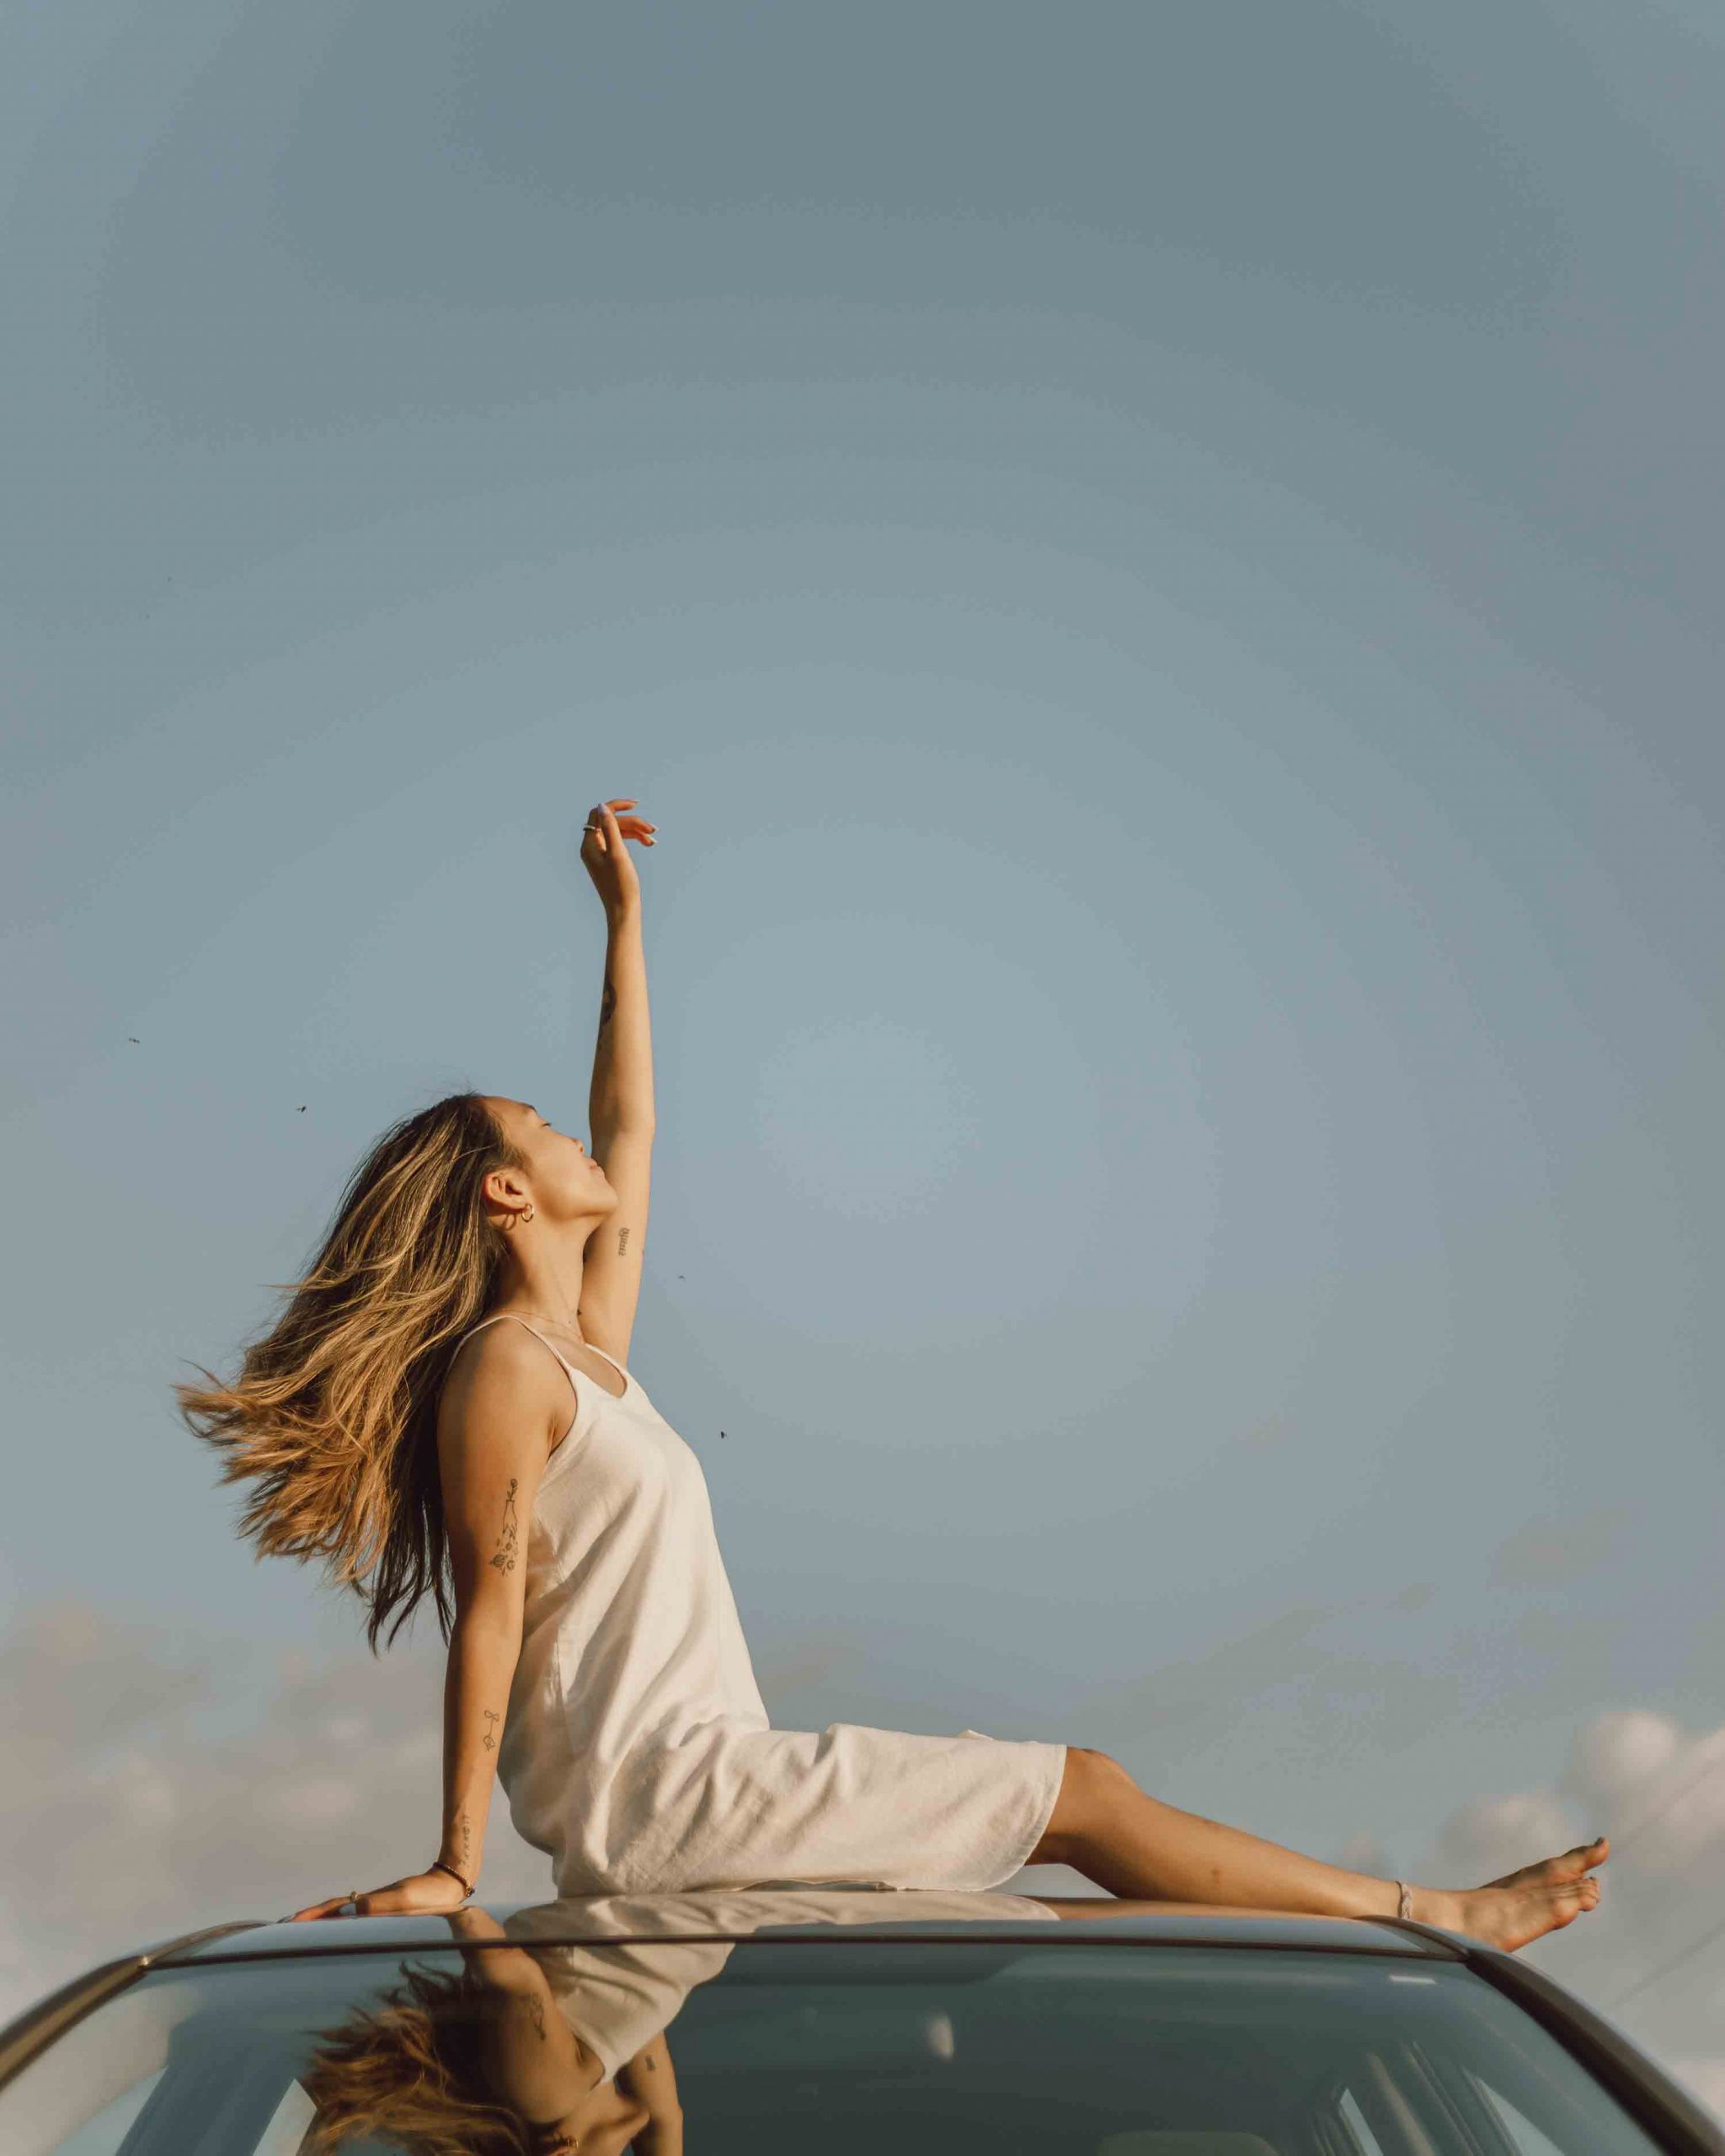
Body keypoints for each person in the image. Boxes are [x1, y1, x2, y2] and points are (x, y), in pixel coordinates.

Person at [178, 796, 1608, 1954]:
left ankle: (1417, 1923)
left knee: (1057, 1877)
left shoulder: (583, 1360)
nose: (579, 1142)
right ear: (504, 1193)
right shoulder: (503, 1369)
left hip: (698, 1790)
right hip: (668, 1799)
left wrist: (624, 929)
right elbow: (488, 1609)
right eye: (541, 1130)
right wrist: (452, 1863)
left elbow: (638, 1125)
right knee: (1085, 1796)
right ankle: (1439, 1920)